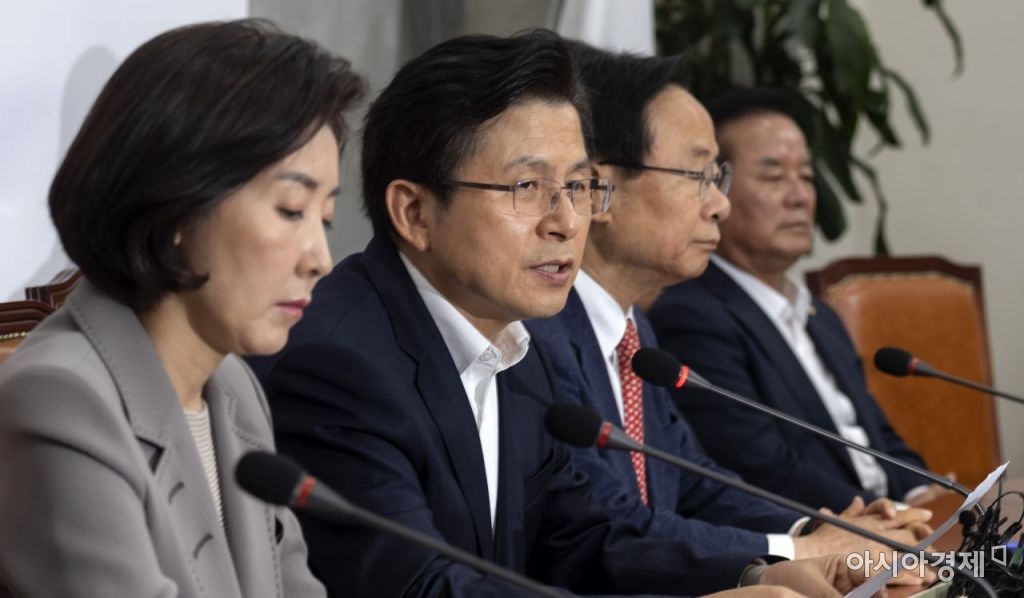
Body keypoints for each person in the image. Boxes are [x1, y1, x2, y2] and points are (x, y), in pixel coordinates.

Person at [250, 30, 872, 598]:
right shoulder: (339, 365)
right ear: (414, 213)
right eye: (527, 188)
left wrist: (759, 573)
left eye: (576, 187)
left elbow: (582, 540)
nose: (567, 222)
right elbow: (424, 587)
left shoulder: (515, 346)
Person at [528, 43, 932, 577]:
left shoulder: (634, 332)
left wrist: (818, 531)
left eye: (717, 178)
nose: (720, 204)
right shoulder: (540, 338)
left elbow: (696, 483)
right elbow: (610, 528)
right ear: (599, 191)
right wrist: (803, 551)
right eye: (698, 176)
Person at [0, 19, 364, 597]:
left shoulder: (234, 387)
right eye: (292, 210)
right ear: (177, 207)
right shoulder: (59, 400)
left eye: (325, 219)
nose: (321, 259)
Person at [647, 88, 940, 513]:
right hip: (833, 532)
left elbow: (878, 435)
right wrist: (892, 515)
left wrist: (923, 493)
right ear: (717, 188)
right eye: (773, 177)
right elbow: (760, 468)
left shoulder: (820, 315)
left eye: (805, 175)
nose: (799, 195)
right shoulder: (693, 316)